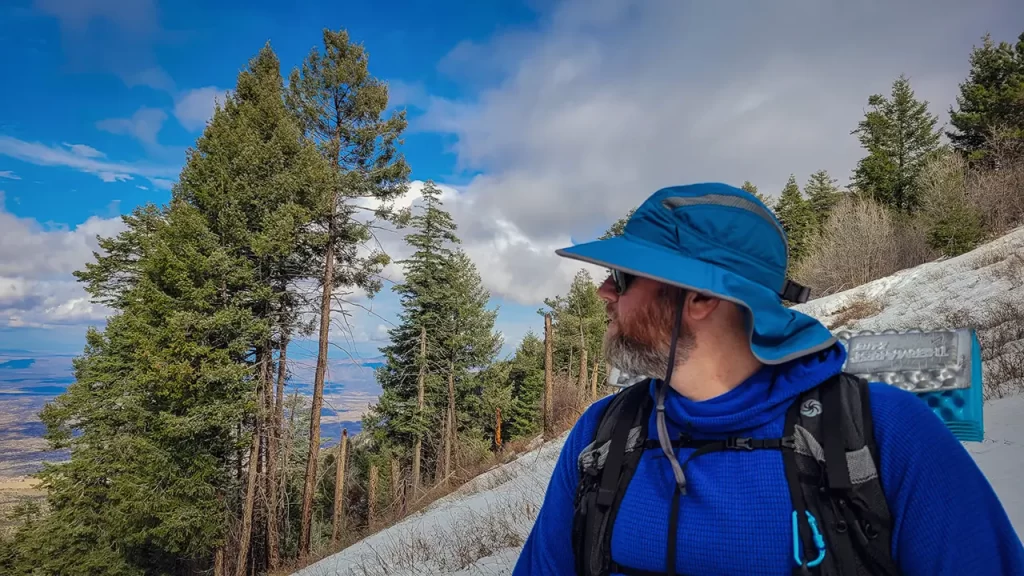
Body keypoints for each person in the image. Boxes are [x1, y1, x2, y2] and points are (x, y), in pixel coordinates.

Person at [512, 182, 1024, 575]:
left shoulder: (886, 435)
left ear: (700, 298)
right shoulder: (603, 435)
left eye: (623, 277)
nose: (604, 291)